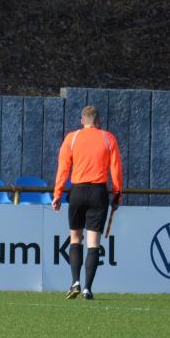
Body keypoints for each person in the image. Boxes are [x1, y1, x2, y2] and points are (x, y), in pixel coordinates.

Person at [52, 105, 123, 301]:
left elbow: (63, 168)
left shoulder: (72, 138)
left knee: (75, 239)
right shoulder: (108, 138)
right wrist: (117, 194)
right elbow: (115, 169)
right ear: (98, 121)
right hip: (98, 192)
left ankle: (75, 281)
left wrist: (57, 193)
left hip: (77, 192)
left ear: (82, 120)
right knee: (93, 244)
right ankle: (87, 288)